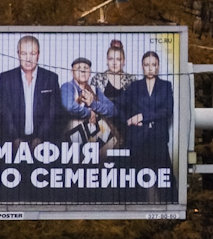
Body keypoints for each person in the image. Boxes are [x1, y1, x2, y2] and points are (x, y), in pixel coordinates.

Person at [121, 51, 175, 199]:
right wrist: (130, 120)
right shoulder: (134, 87)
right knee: (136, 184)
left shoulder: (165, 86)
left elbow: (167, 111)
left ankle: (171, 216)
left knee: (166, 186)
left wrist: (143, 116)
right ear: (142, 67)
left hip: (158, 141)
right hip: (138, 141)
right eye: (147, 65)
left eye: (153, 64)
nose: (150, 68)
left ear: (158, 66)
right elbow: (121, 106)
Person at [0, 35, 64, 146]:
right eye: (24, 53)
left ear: (38, 55)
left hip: (44, 142)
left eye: (32, 54)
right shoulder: (6, 78)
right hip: (12, 142)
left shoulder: (51, 78)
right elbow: (4, 111)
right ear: (18, 54)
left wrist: (40, 138)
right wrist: (15, 138)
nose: (28, 59)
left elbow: (53, 111)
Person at [60, 57, 117, 147]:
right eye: (79, 68)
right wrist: (89, 113)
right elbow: (69, 107)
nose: (83, 71)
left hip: (95, 137)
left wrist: (94, 104)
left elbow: (113, 110)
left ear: (90, 72)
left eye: (86, 68)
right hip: (73, 137)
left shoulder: (94, 89)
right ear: (72, 72)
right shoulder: (67, 87)